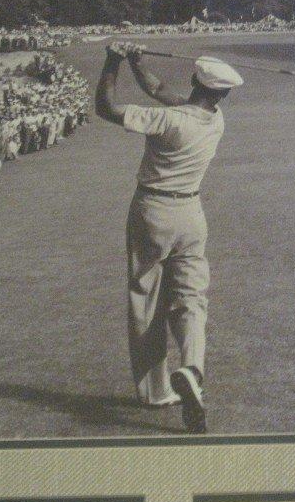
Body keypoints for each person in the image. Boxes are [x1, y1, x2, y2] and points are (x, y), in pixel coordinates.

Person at [95, 41, 243, 434]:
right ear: (223, 93)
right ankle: (193, 368)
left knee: (146, 297)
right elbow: (159, 90)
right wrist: (138, 62)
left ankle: (157, 391)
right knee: (191, 298)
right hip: (192, 215)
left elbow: (106, 108)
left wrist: (113, 62)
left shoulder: (169, 120)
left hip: (152, 212)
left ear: (195, 79)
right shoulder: (215, 120)